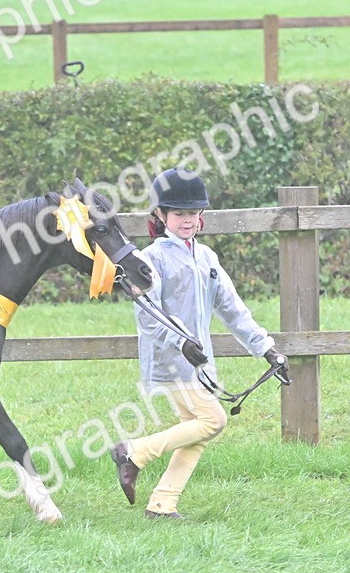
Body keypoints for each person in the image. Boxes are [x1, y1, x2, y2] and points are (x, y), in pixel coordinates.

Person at [110, 168, 289, 520]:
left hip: (199, 364)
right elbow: (148, 315)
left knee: (196, 433)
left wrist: (267, 349)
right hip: (169, 361)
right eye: (179, 214)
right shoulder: (151, 259)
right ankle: (133, 453)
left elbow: (232, 308)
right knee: (213, 420)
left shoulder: (206, 257)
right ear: (160, 216)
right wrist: (180, 342)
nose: (188, 221)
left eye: (193, 213)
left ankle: (162, 504)